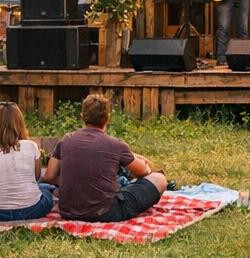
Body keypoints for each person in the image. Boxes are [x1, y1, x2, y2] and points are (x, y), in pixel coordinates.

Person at [44, 94, 167, 222]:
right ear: (107, 118)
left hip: (68, 211)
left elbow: (49, 176)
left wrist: (77, 181)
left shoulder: (65, 140)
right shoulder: (116, 145)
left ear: (82, 117)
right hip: (105, 213)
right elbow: (143, 172)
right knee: (159, 178)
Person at [0, 101, 56, 222]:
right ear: (20, 123)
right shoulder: (31, 146)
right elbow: (35, 177)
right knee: (45, 190)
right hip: (31, 210)